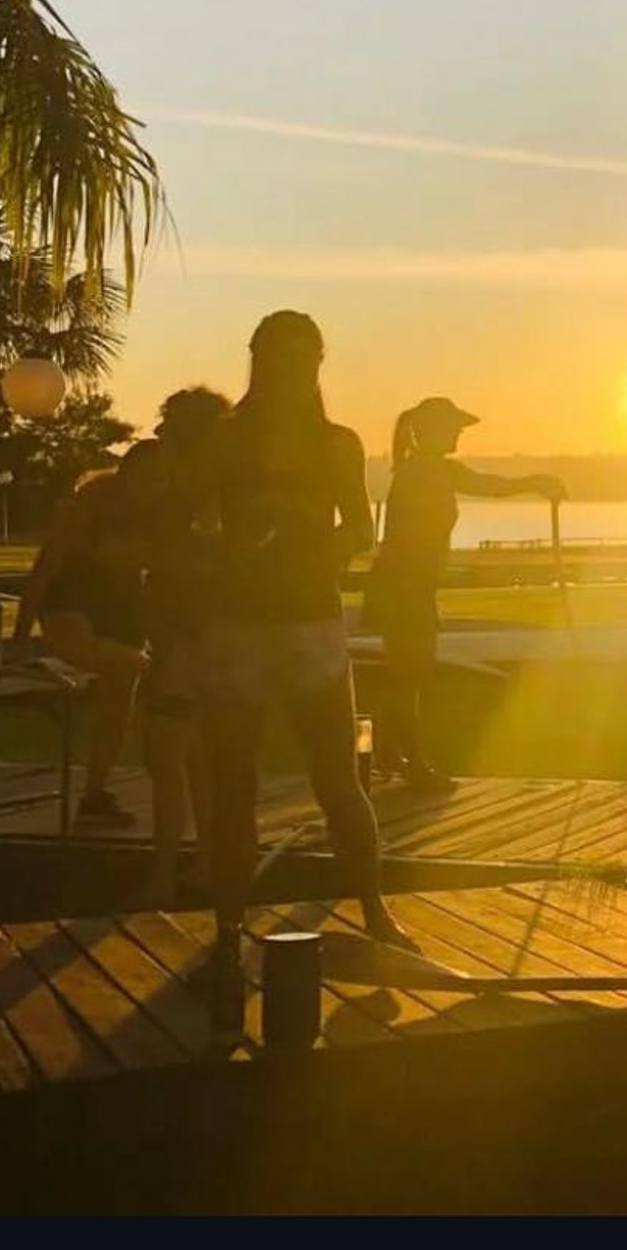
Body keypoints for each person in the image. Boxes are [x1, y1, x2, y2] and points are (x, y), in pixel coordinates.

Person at [195, 312, 419, 1032]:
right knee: (233, 786)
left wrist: (330, 547)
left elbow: (360, 523)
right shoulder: (225, 441)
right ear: (256, 360)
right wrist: (229, 550)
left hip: (313, 628)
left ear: (319, 364)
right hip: (235, 627)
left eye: (304, 360)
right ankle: (228, 932)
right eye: (278, 359)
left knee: (338, 779)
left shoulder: (337, 444)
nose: (292, 373)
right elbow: (193, 524)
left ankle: (376, 909)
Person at [366, 398, 564, 795]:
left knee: (407, 674)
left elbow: (486, 487)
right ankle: (410, 761)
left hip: (408, 585)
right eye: (452, 428)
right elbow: (487, 487)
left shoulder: (423, 470)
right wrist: (535, 482)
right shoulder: (427, 472)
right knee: (410, 674)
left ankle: (390, 753)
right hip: (405, 586)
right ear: (434, 431)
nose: (457, 435)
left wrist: (534, 483)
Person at [19, 443, 164, 828]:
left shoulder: (164, 515)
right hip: (74, 606)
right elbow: (43, 572)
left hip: (123, 613)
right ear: (127, 475)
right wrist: (19, 637)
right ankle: (143, 664)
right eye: (145, 476)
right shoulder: (84, 512)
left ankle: (94, 793)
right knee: (126, 663)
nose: (152, 485)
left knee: (119, 703)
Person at [140, 386, 231, 905]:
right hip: (189, 641)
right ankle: (201, 865)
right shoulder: (196, 500)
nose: (161, 441)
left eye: (169, 433)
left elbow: (191, 575)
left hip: (189, 643)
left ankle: (170, 871)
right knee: (196, 764)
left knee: (176, 761)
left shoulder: (196, 503)